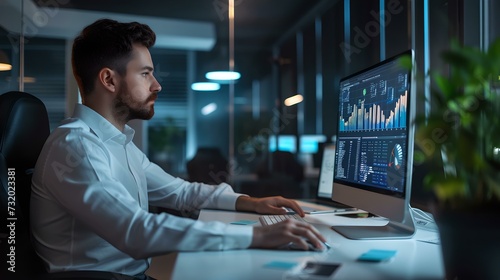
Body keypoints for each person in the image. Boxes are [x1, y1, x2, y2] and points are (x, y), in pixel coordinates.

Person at [30, 19, 326, 278]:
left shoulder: (116, 143)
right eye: (145, 74)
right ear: (109, 79)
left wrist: (250, 202)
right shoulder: (77, 146)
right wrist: (256, 234)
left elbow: (181, 192)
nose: (157, 85)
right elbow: (136, 232)